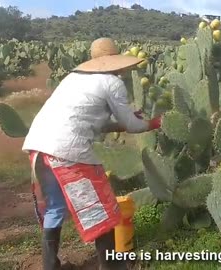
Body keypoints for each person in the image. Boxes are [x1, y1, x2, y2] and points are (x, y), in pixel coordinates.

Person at [22, 37, 162, 270]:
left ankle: (49, 265)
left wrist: (125, 122)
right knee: (102, 209)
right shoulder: (112, 82)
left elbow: (90, 121)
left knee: (56, 207)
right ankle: (111, 267)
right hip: (69, 151)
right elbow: (134, 127)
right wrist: (156, 122)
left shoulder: (73, 78)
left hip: (39, 146)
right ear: (115, 60)